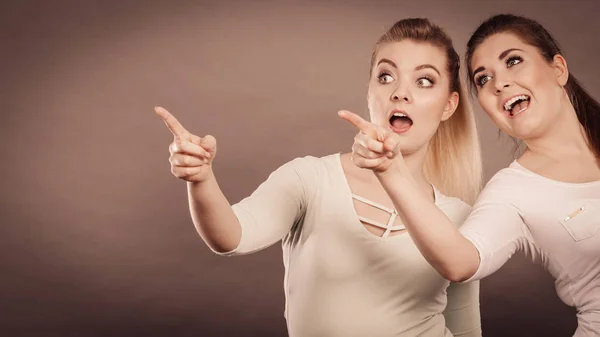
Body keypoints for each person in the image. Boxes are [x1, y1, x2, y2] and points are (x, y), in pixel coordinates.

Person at [156, 18, 483, 337]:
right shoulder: (310, 179)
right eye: (385, 76)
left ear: (448, 106)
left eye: (424, 81)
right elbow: (232, 236)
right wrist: (200, 179)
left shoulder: (459, 216)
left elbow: (466, 328)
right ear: (369, 91)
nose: (400, 92)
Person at [342, 14, 600, 337]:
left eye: (513, 61)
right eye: (482, 79)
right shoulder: (513, 191)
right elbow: (460, 261)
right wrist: (390, 171)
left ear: (558, 69)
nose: (499, 83)